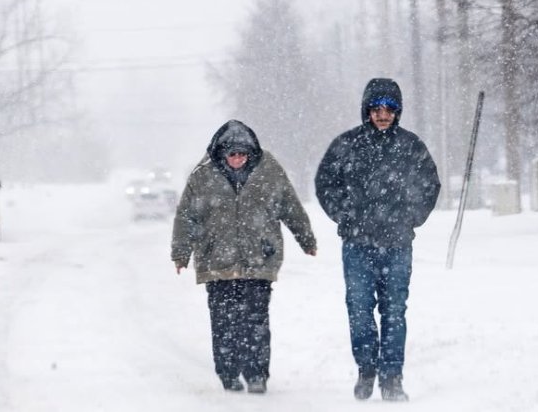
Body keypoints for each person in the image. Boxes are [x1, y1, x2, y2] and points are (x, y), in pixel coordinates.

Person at [314, 78, 440, 402]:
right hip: (357, 245)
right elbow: (325, 182)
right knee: (358, 309)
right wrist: (345, 214)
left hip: (397, 244)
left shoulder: (411, 147)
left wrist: (411, 217)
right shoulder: (347, 145)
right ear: (367, 111)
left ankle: (392, 377)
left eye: (389, 109)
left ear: (397, 112)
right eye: (377, 109)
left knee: (395, 311)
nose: (383, 115)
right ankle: (367, 368)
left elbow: (430, 184)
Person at [171, 119, 317, 394]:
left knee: (255, 319)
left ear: (251, 153)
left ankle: (256, 374)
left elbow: (290, 206)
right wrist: (181, 253)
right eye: (232, 154)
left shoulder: (269, 171)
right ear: (221, 153)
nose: (238, 159)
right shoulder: (202, 176)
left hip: (258, 261)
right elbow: (186, 217)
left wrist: (306, 238)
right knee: (224, 321)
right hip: (217, 263)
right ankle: (228, 373)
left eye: (243, 154)